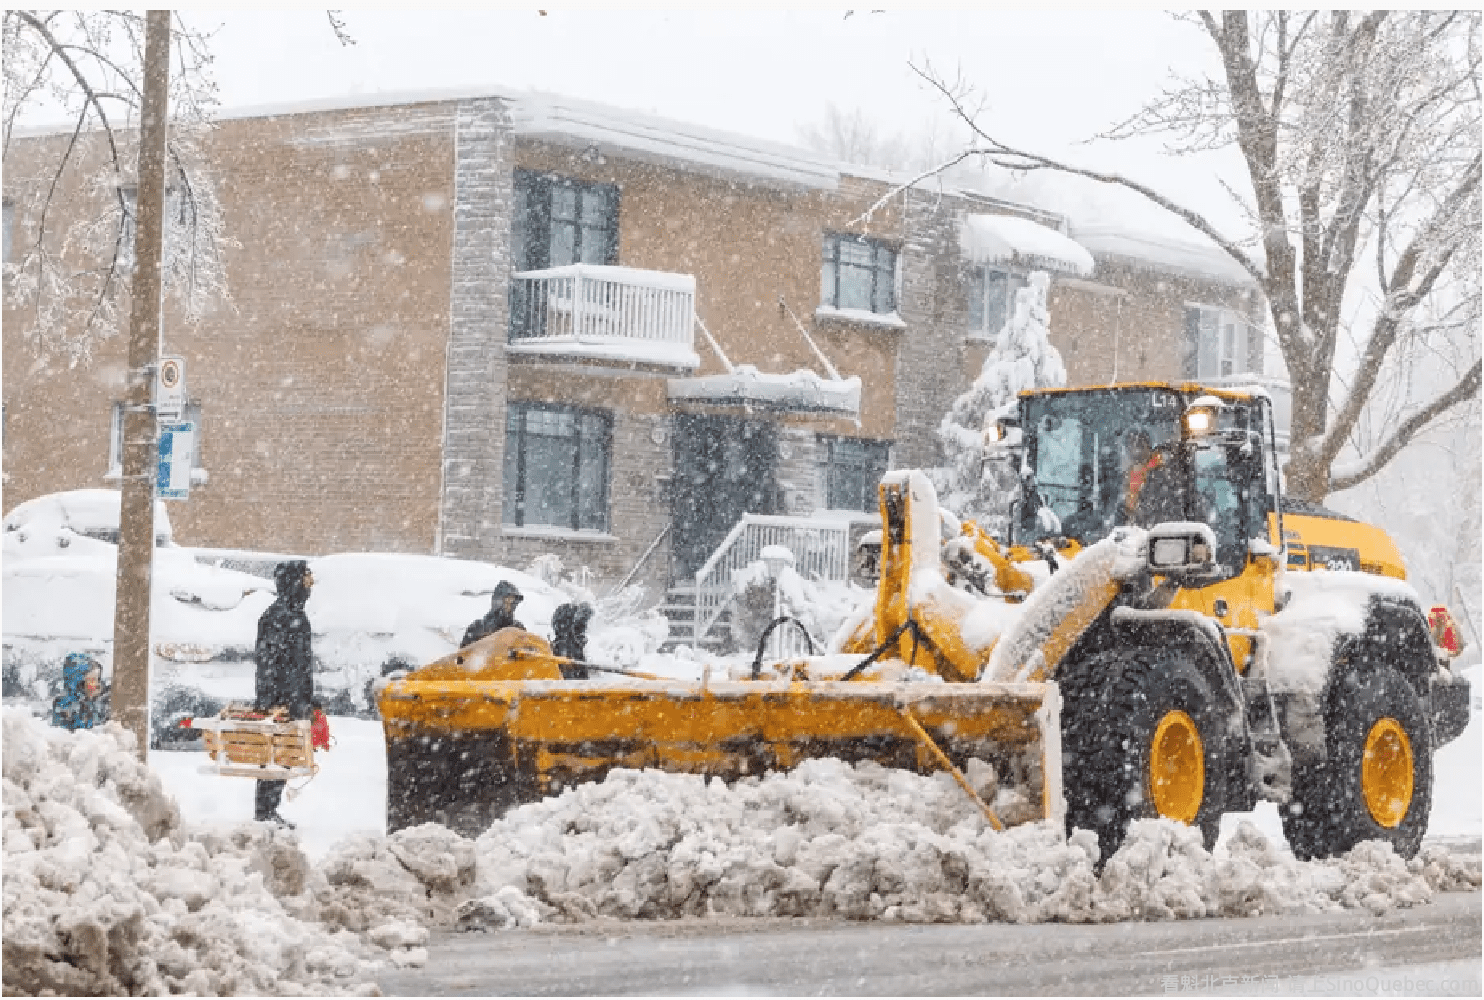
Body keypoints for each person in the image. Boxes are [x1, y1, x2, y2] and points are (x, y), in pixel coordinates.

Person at [253, 559, 316, 827]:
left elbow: (296, 665)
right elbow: (278, 664)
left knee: (281, 756)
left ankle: (267, 810)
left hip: (284, 700)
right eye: (306, 579)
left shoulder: (287, 615)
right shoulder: (284, 618)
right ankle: (265, 812)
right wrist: (289, 702)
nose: (310, 586)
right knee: (277, 756)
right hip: (281, 703)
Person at [51, 653, 109, 731]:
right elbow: (62, 734)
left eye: (98, 679)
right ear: (79, 684)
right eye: (92, 680)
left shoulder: (99, 703)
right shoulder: (63, 705)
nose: (97, 684)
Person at [461, 580, 525, 648]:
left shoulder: (518, 628)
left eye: (513, 601)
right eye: (507, 600)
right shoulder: (479, 627)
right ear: (498, 601)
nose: (509, 604)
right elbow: (462, 655)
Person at [551, 602, 594, 679]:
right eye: (580, 627)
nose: (583, 632)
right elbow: (570, 684)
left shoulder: (576, 650)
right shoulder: (565, 649)